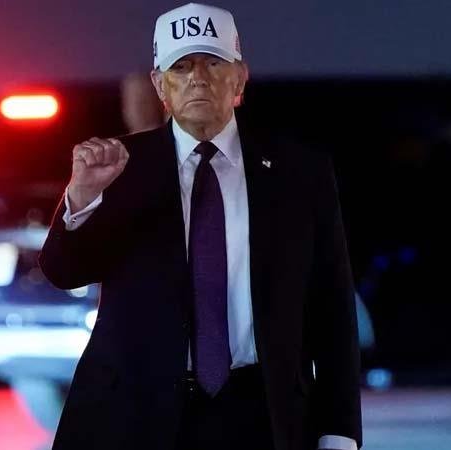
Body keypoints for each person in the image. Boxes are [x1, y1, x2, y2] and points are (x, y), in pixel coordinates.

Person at [39, 3, 363, 450]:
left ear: (240, 79)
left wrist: (340, 430)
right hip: (136, 418)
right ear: (160, 86)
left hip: (261, 417)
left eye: (213, 63)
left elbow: (333, 309)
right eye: (181, 66)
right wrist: (81, 198)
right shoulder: (119, 167)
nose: (198, 78)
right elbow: (63, 272)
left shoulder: (299, 171)